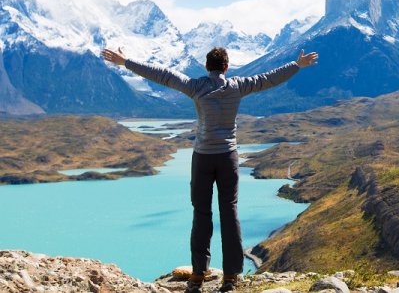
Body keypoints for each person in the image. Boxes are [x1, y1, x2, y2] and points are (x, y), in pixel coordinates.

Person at [101, 46, 318, 292]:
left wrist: (126, 61)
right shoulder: (237, 86)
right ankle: (231, 277)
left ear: (207, 67)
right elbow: (268, 79)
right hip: (228, 157)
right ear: (227, 67)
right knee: (229, 212)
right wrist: (296, 65)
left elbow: (162, 74)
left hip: (203, 158)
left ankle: (198, 274)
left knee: (201, 213)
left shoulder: (196, 87)